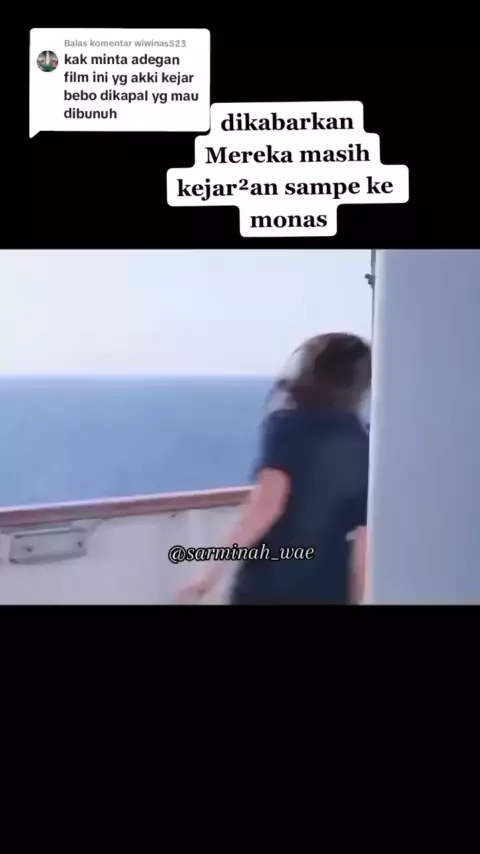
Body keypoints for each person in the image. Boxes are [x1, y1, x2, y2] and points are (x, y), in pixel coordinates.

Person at [179, 333, 371, 605]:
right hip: (329, 587)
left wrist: (208, 576)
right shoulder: (365, 442)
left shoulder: (288, 426)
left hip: (270, 583)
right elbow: (363, 538)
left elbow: (268, 504)